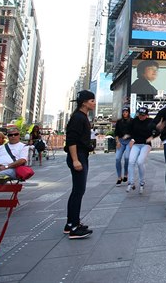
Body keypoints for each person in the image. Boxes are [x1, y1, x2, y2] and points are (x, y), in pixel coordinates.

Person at [64, 90, 95, 239]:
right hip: (78, 156)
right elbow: (71, 140)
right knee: (78, 191)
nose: (94, 103)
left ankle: (71, 223)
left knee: (77, 190)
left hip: (82, 155)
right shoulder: (78, 118)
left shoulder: (82, 117)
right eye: (92, 100)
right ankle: (74, 228)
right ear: (84, 102)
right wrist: (76, 160)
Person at [126, 107, 155, 194]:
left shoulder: (150, 121)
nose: (141, 117)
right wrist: (131, 139)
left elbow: (157, 130)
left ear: (146, 115)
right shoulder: (134, 121)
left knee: (140, 162)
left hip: (146, 144)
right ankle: (131, 182)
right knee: (131, 161)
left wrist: (152, 137)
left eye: (143, 115)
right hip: (136, 144)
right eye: (139, 115)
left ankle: (142, 182)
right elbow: (130, 131)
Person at [114, 107, 132, 185]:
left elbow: (135, 132)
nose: (125, 113)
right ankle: (119, 177)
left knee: (127, 157)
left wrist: (129, 136)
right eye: (123, 112)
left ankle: (126, 174)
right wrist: (117, 141)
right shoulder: (119, 121)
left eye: (126, 112)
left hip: (129, 141)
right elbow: (116, 133)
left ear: (129, 113)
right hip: (121, 141)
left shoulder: (132, 121)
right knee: (117, 158)